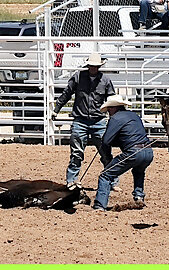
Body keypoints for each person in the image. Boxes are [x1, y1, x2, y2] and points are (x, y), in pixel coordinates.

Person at [53, 52, 121, 191]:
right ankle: (71, 181)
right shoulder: (78, 77)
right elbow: (66, 94)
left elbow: (112, 101)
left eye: (95, 66)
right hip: (80, 120)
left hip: (99, 121)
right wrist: (56, 109)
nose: (93, 68)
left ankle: (113, 181)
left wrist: (116, 117)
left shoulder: (105, 81)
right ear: (88, 65)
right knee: (76, 153)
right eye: (92, 66)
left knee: (105, 153)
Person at [93, 95, 154, 211]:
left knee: (105, 175)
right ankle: (139, 196)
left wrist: (107, 158)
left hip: (134, 152)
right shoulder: (134, 116)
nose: (108, 112)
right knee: (138, 171)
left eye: (109, 109)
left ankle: (100, 205)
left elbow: (106, 141)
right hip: (148, 151)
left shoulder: (115, 119)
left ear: (114, 108)